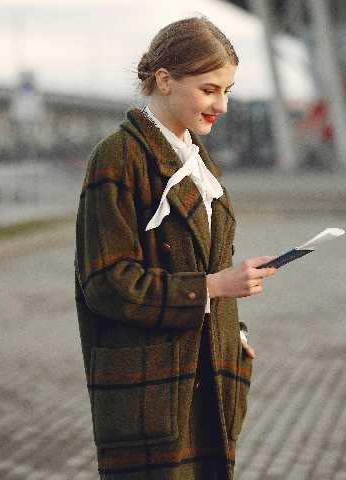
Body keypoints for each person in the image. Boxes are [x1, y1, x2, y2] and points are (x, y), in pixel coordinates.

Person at [73, 16, 278, 480]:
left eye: (228, 90)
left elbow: (205, 265)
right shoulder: (118, 156)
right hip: (152, 385)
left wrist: (234, 332)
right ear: (164, 81)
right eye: (210, 90)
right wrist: (214, 285)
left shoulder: (197, 159)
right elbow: (106, 283)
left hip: (206, 375)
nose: (222, 105)